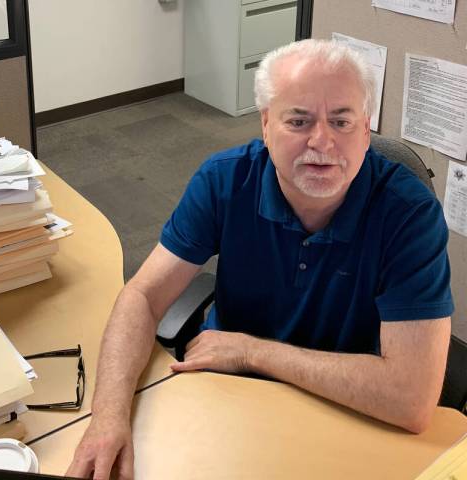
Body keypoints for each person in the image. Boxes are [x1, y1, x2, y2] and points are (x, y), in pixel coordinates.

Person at [66, 39, 453, 480]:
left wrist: (253, 352)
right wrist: (108, 417)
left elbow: (410, 398)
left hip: (345, 406)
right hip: (228, 392)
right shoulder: (224, 180)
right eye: (299, 120)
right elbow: (143, 296)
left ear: (366, 129)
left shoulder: (409, 213)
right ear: (267, 126)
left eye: (341, 121)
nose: (322, 141)